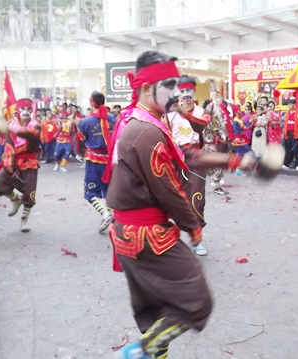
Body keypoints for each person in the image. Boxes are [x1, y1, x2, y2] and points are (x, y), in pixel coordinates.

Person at [105, 51, 255, 359]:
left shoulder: (145, 121)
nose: (179, 93)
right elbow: (169, 190)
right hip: (147, 234)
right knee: (197, 301)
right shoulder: (146, 131)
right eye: (170, 85)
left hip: (128, 232)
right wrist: (193, 226)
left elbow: (187, 155)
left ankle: (151, 351)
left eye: (181, 86)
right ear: (147, 89)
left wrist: (235, 159)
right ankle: (141, 352)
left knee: (153, 309)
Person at [167, 75, 210, 256]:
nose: (186, 94)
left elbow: (202, 127)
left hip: (196, 160)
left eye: (189, 91)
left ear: (194, 90)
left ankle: (196, 238)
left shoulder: (203, 113)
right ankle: (170, 236)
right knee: (172, 199)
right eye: (182, 91)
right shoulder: (169, 116)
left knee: (196, 200)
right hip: (175, 160)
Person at [0, 99, 41, 232]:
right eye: (23, 109)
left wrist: (10, 128)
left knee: (30, 195)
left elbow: (31, 134)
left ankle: (24, 219)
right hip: (15, 162)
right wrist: (8, 163)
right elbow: (9, 146)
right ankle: (15, 199)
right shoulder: (11, 126)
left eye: (28, 110)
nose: (26, 112)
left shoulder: (35, 125)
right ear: (17, 111)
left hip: (30, 164)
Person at [77, 91, 116, 233]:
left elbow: (81, 139)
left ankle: (106, 214)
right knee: (109, 190)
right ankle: (111, 216)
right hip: (111, 160)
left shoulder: (85, 122)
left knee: (90, 191)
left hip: (95, 161)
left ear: (91, 103)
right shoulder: (112, 118)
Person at [282, 98, 298, 171]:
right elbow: (285, 123)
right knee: (287, 149)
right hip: (287, 132)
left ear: (294, 104)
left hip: (295, 133)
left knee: (296, 149)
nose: (289, 105)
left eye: (290, 104)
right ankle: (287, 163)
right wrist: (284, 132)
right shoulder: (287, 113)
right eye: (288, 104)